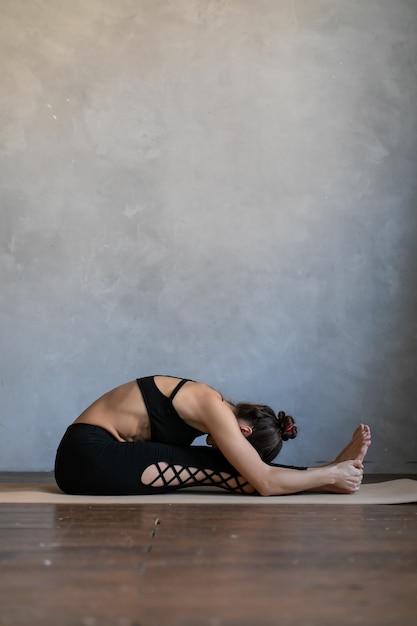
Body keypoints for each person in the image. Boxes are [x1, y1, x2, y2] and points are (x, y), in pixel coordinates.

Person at [54, 375, 371, 496]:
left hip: (92, 458)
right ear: (243, 431)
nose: (234, 455)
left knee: (205, 462)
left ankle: (327, 473)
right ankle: (327, 475)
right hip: (86, 458)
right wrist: (328, 473)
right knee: (210, 466)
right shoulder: (214, 408)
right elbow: (265, 482)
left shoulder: (212, 403)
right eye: (243, 451)